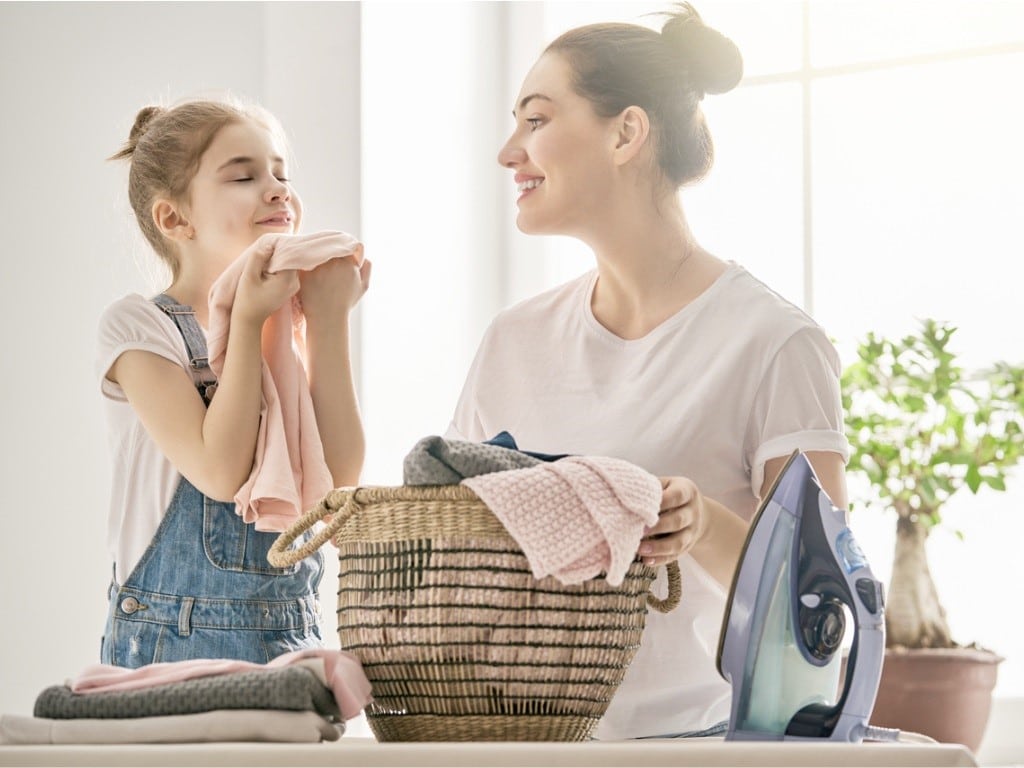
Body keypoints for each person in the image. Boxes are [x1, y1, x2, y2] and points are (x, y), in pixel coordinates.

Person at [447, 4, 850, 740]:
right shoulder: (514, 340)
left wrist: (704, 524)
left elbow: (824, 611)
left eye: (536, 120)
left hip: (705, 745)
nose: (509, 152)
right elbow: (459, 562)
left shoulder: (774, 342)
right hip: (528, 743)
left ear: (627, 132)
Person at [97, 98, 370, 667]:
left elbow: (336, 483)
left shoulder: (281, 333)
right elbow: (221, 472)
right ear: (175, 219)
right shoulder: (140, 328)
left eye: (280, 174)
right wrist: (245, 320)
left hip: (292, 640)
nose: (276, 190)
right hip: (173, 644)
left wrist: (326, 320)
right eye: (244, 176)